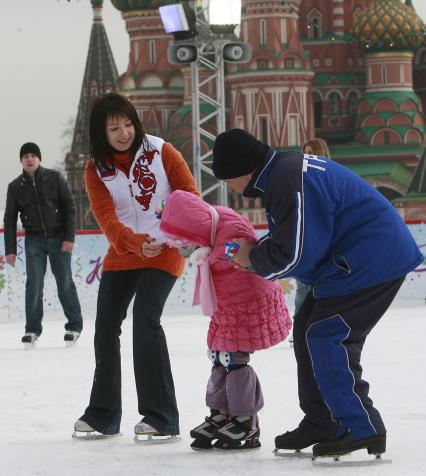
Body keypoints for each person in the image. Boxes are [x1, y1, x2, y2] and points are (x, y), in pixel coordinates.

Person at [211, 128, 423, 458]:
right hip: (355, 260)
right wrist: (255, 253)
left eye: (227, 180)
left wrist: (251, 257)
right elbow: (298, 238)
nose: (230, 188)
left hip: (371, 260)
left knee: (327, 335)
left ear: (241, 169)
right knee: (307, 326)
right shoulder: (282, 172)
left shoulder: (284, 179)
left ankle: (361, 426)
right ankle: (321, 420)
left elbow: (296, 255)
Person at [73, 93, 198, 441]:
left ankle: (161, 417)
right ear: (101, 131)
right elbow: (106, 219)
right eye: (114, 128)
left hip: (165, 248)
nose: (124, 132)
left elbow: (189, 194)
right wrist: (132, 243)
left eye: (128, 124)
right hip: (124, 252)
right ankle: (103, 415)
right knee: (105, 327)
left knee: (146, 317)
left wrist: (178, 232)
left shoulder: (162, 151)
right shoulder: (95, 168)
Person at [158, 190, 292, 450]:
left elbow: (238, 253)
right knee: (219, 357)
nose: (185, 252)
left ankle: (245, 419)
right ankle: (221, 413)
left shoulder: (230, 232)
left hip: (247, 303)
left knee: (235, 360)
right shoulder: (210, 230)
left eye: (185, 244)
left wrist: (209, 254)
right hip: (226, 305)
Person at [3, 142, 83, 348]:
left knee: (64, 282)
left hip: (58, 238)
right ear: (21, 160)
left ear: (39, 159)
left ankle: (74, 325)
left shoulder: (54, 178)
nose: (29, 159)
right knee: (34, 285)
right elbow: (10, 220)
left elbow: (70, 207)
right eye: (25, 156)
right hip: (34, 240)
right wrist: (10, 250)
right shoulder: (15, 187)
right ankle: (32, 330)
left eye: (33, 155)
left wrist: (69, 237)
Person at [294, 138, 331, 316]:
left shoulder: (332, 175)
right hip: (305, 237)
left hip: (326, 238)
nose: (307, 156)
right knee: (303, 286)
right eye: (305, 153)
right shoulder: (299, 176)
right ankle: (299, 327)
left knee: (325, 286)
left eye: (311, 153)